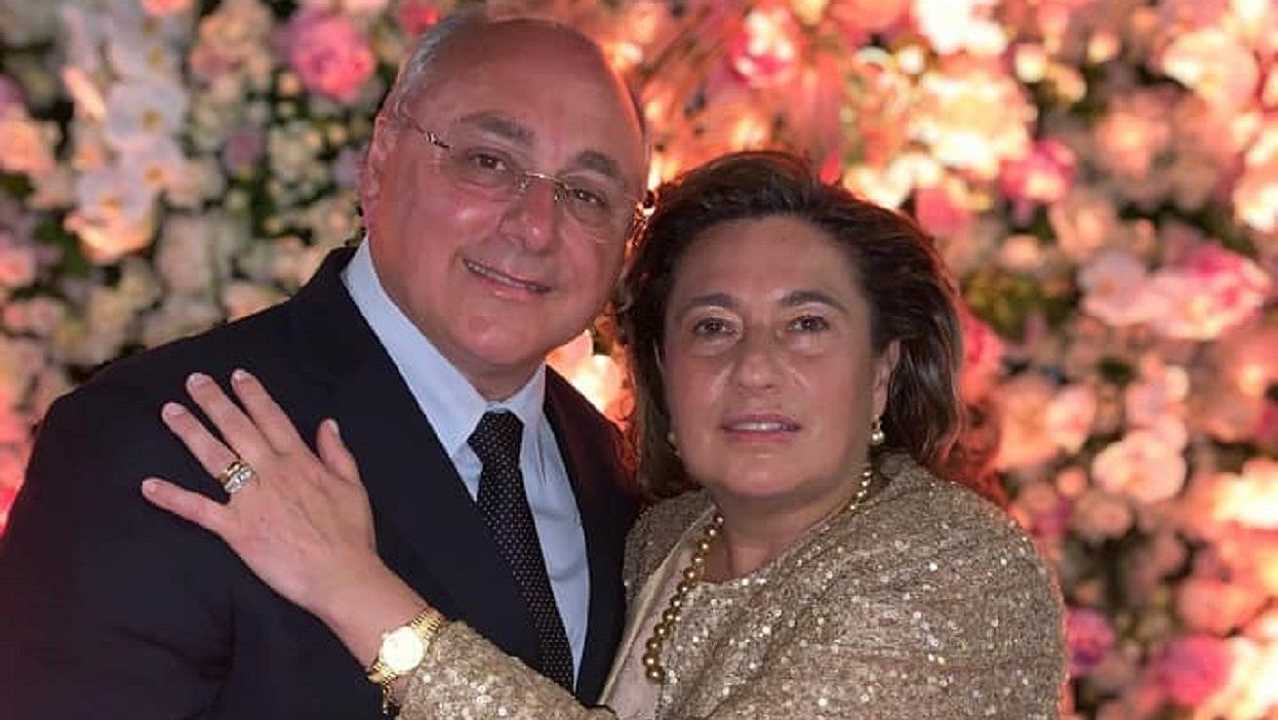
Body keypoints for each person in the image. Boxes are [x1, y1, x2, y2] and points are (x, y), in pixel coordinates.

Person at [142, 151, 1068, 719]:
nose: (754, 367)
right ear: (661, 369)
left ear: (884, 371)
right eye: (712, 326)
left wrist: (349, 584)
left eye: (807, 325)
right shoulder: (654, 537)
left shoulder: (958, 568)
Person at [0, 11, 647, 718]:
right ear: (380, 161)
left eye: (587, 194)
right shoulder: (157, 440)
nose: (536, 226)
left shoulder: (619, 478)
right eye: (488, 162)